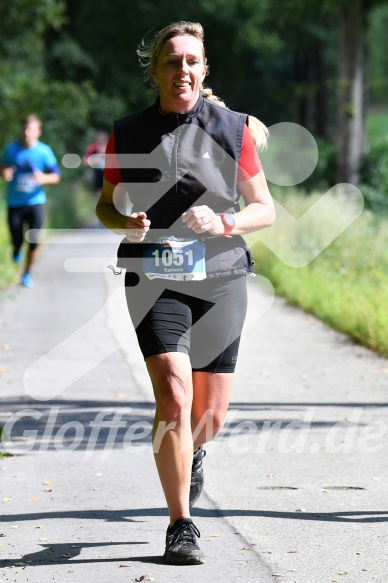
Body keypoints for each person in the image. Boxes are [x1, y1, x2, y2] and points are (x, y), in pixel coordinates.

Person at [96, 21, 275, 565]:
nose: (183, 71)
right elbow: (106, 204)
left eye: (192, 61)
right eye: (171, 62)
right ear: (154, 71)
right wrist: (123, 221)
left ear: (204, 70)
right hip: (153, 276)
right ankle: (181, 523)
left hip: (220, 277)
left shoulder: (234, 129)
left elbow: (264, 209)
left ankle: (193, 450)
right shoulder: (127, 133)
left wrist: (224, 222)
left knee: (208, 416)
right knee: (173, 394)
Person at [0, 114, 61, 287]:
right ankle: (17, 247)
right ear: (21, 130)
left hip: (36, 202)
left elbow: (56, 176)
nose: (27, 132)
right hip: (15, 203)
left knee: (34, 240)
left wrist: (43, 178)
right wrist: (4, 172)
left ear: (38, 132)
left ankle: (26, 273)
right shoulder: (11, 150)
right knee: (17, 238)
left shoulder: (44, 151)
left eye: (31, 129)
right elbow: (2, 166)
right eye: (25, 129)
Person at [83, 130, 108, 200]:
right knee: (99, 196)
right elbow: (85, 162)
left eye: (103, 139)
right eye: (100, 139)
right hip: (98, 174)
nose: (101, 141)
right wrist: (95, 159)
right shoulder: (93, 148)